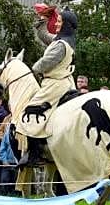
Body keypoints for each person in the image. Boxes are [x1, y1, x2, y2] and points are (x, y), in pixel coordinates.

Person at [18, 9, 77, 167]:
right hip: (65, 81)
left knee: (29, 112)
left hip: (55, 84)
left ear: (65, 25)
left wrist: (32, 68)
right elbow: (45, 36)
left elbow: (45, 63)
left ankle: (35, 154)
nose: (57, 23)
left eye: (59, 21)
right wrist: (43, 21)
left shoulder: (61, 46)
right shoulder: (63, 40)